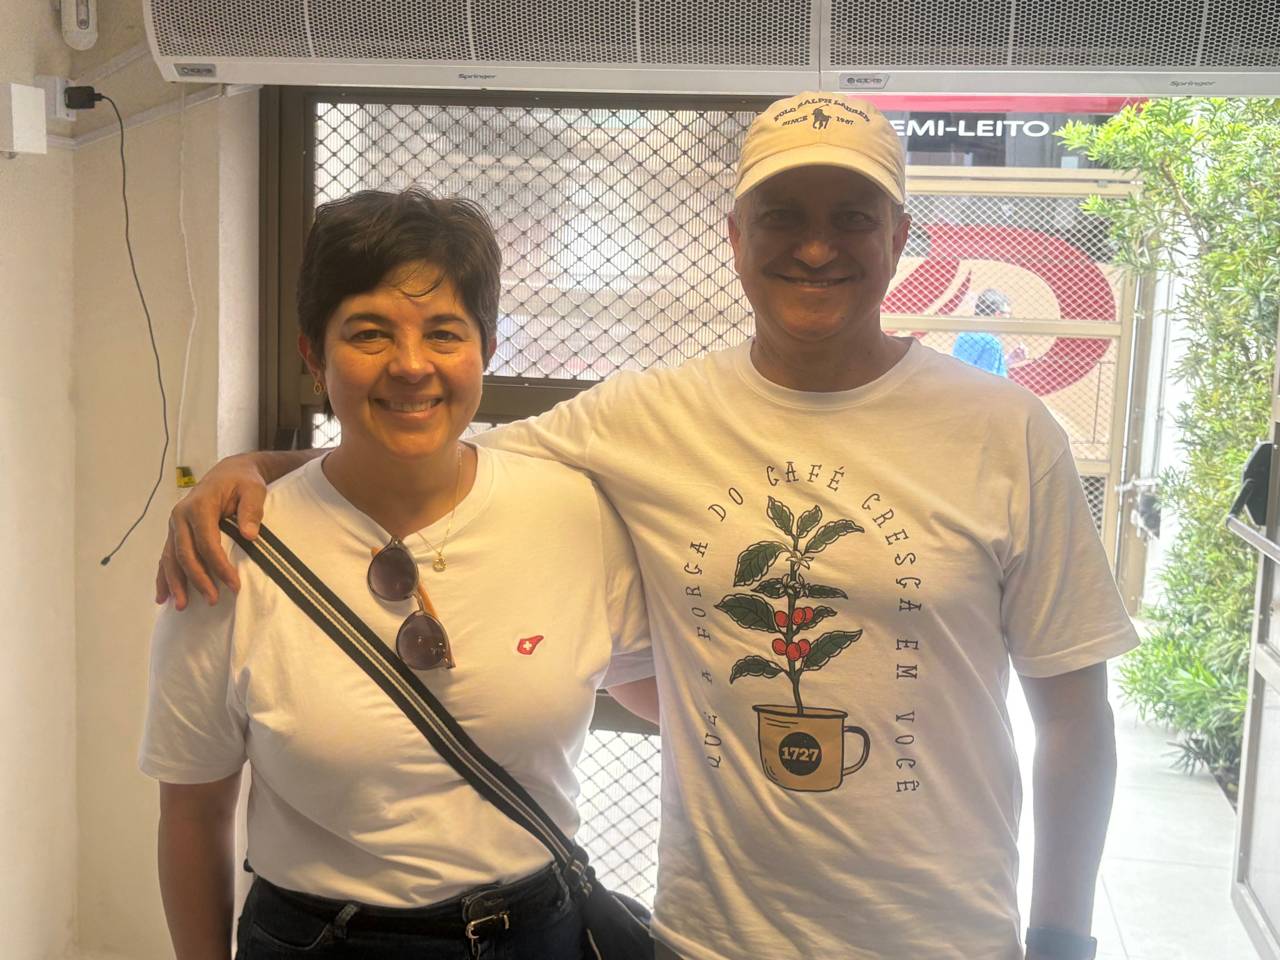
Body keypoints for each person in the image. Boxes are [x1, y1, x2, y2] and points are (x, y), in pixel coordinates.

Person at [157, 93, 1137, 960]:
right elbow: (427, 439)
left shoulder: (1006, 432)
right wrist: (251, 474)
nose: (814, 246)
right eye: (781, 215)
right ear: (734, 235)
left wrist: (1061, 940)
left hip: (944, 936)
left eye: (852, 215)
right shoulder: (644, 417)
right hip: (710, 936)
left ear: (898, 235)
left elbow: (1073, 720)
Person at [139, 189, 656, 959]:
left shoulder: (572, 514)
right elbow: (193, 811)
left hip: (536, 933)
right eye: (369, 333)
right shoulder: (232, 552)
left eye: (444, 332)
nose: (411, 366)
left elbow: (657, 691)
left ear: (485, 348)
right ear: (313, 355)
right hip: (322, 940)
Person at [951, 288, 1023, 376]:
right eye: (1008, 314)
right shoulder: (991, 343)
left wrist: (1009, 360)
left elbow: (977, 370)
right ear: (998, 314)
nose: (1010, 319)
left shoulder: (964, 336)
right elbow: (989, 378)